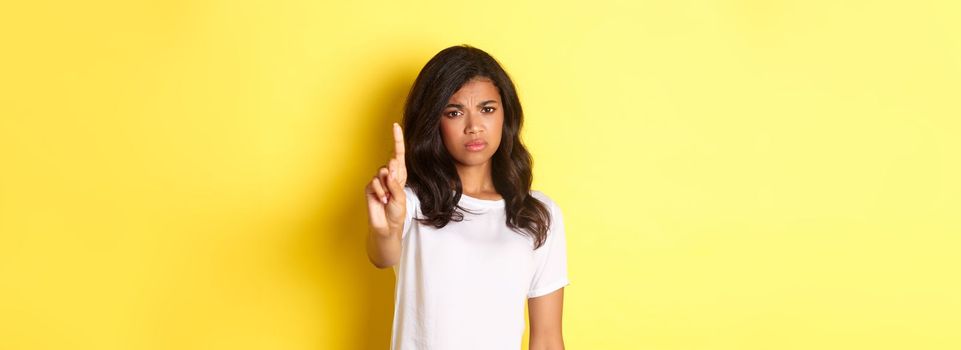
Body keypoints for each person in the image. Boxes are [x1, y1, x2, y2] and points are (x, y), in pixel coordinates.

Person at [365, 44, 569, 350]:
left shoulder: (538, 215)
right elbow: (383, 256)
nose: (474, 127)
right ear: (436, 121)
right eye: (454, 112)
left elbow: (548, 338)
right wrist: (386, 230)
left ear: (505, 115)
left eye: (487, 109)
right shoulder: (412, 203)